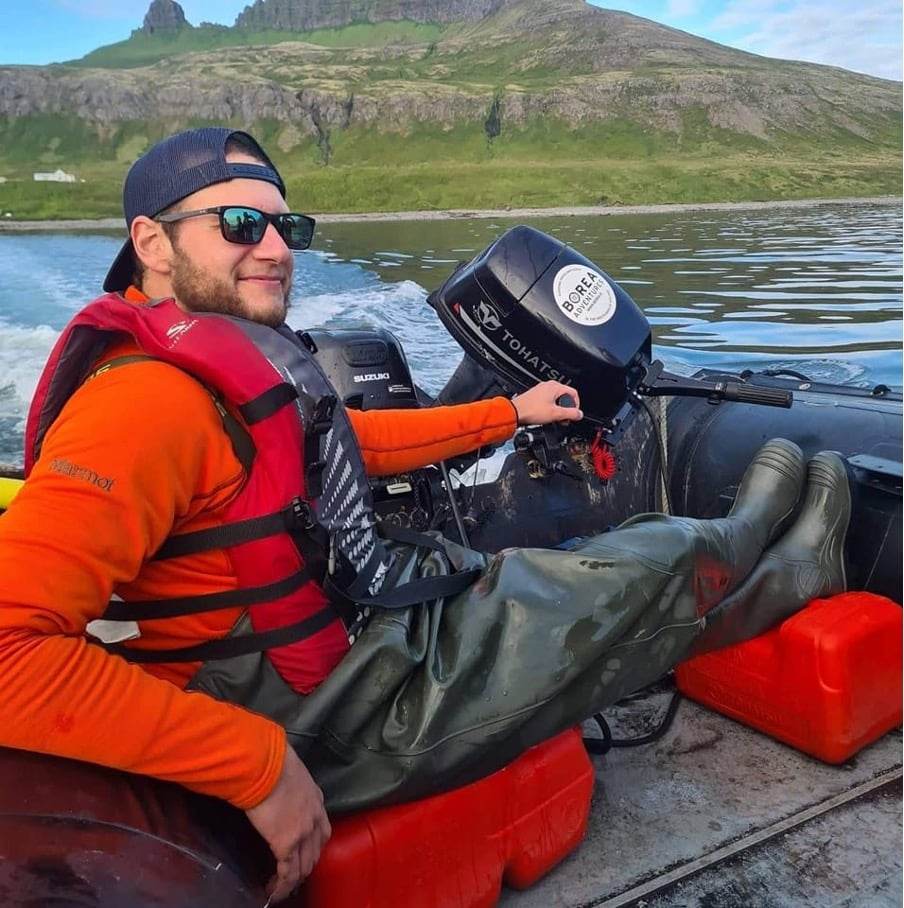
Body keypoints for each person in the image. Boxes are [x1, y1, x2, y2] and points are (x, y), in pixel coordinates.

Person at [0, 127, 851, 905]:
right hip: (296, 710)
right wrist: (255, 766)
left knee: (565, 566)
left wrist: (510, 414)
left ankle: (757, 564)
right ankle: (771, 562)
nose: (272, 251)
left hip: (336, 631)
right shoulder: (139, 405)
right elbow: (8, 650)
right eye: (236, 224)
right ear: (150, 241)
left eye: (285, 229)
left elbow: (344, 441)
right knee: (633, 569)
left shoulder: (207, 374)